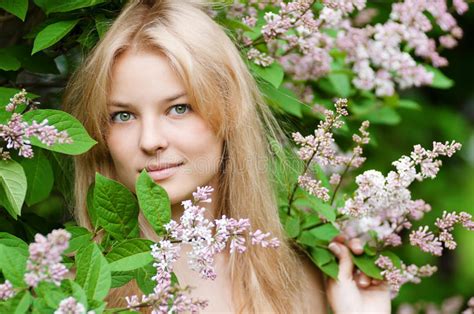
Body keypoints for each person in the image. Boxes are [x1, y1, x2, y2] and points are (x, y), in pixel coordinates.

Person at [62, 0, 391, 312]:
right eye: (123, 115)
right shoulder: (70, 295)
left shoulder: (303, 280)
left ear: (229, 110)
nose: (150, 141)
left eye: (179, 108)